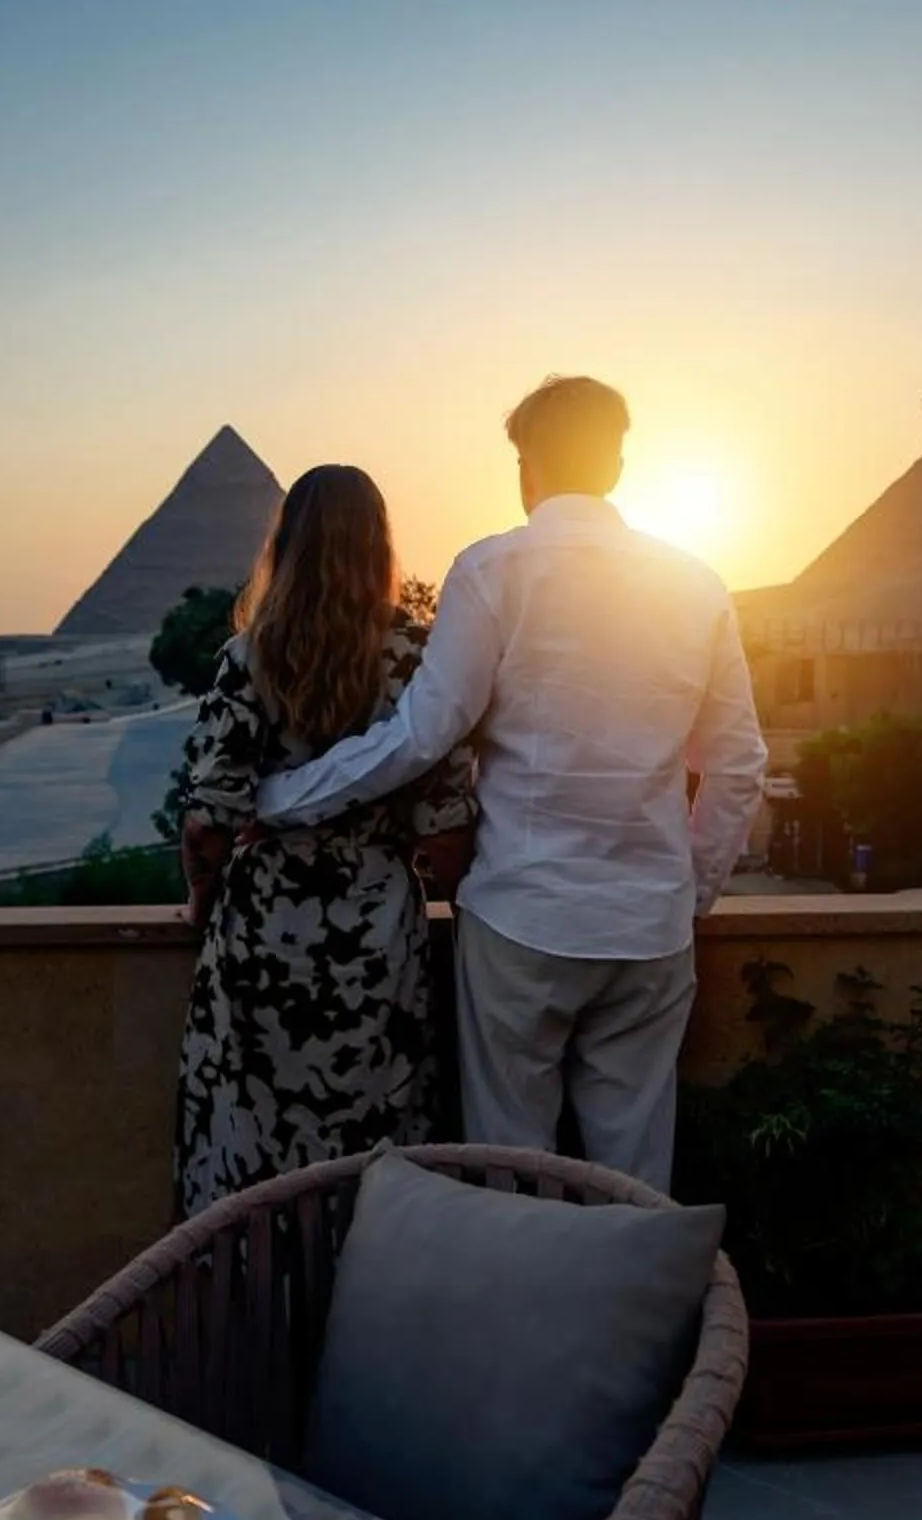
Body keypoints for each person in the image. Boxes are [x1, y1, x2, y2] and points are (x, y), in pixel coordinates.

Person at [255, 376, 768, 1190]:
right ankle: (638, 1319)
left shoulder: (493, 570)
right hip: (649, 931)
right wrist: (687, 892)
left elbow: (423, 733)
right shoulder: (696, 585)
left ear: (526, 465)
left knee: (510, 1167)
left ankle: (520, 1319)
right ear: (619, 461)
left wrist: (279, 798)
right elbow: (739, 765)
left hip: (521, 921)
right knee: (634, 1177)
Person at [171, 464, 477, 1219]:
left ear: (287, 543)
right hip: (378, 937)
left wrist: (199, 900)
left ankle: (262, 1311)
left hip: (262, 935)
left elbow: (206, 823)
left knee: (254, 1154)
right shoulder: (416, 661)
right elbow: (447, 824)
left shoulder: (247, 659)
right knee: (379, 1145)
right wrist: (456, 904)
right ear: (379, 547)